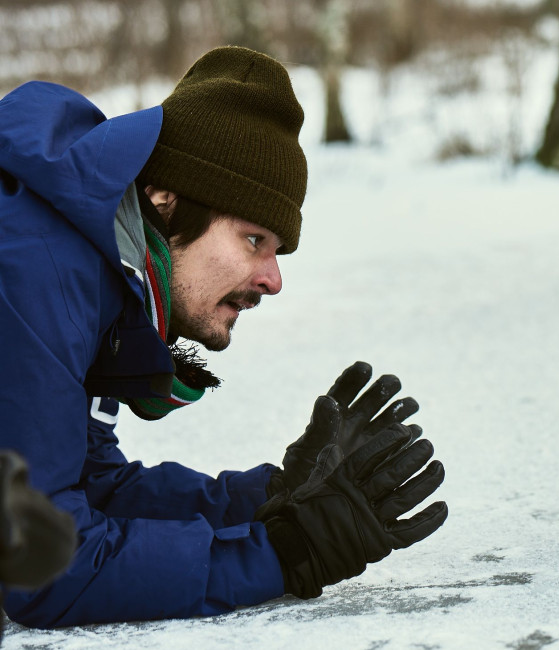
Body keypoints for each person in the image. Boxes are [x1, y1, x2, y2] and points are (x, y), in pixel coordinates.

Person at [0, 46, 447, 627]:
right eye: (253, 239)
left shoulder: (92, 268)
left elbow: (88, 486)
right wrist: (287, 552)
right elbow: (42, 565)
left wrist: (270, 500)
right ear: (167, 197)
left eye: (278, 250)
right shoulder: (38, 273)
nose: (274, 278)